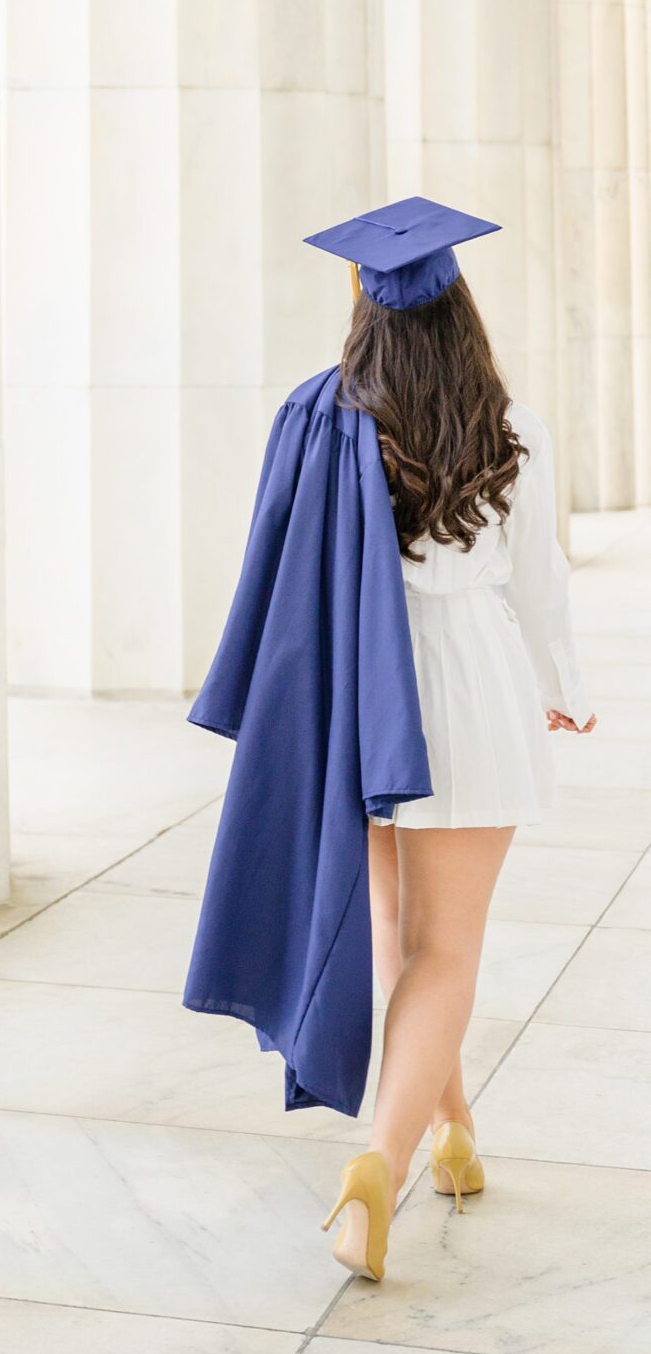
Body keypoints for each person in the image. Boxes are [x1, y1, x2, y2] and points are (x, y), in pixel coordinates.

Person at [182, 198, 595, 1286]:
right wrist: (563, 687)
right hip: (476, 690)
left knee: (397, 937)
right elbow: (533, 586)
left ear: (360, 303)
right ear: (459, 309)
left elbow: (278, 567)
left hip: (364, 703)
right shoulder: (510, 427)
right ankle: (380, 1158)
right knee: (445, 950)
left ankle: (450, 1135)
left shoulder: (319, 417)